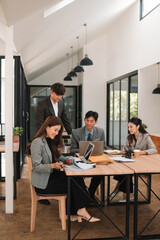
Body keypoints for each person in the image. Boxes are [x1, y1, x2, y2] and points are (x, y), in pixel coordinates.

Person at [26, 116, 100, 222]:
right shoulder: (38, 142)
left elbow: (58, 156)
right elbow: (37, 167)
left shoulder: (49, 140)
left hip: (51, 176)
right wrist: (53, 165)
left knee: (75, 178)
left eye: (58, 131)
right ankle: (81, 210)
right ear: (47, 127)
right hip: (44, 183)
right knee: (74, 181)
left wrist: (67, 160)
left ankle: (74, 212)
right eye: (55, 130)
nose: (56, 133)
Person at [113, 117, 157, 202]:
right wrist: (124, 150)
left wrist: (141, 152)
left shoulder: (145, 136)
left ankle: (122, 192)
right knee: (123, 169)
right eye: (128, 127)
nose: (129, 129)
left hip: (142, 164)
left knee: (126, 171)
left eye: (131, 127)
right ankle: (127, 194)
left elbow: (154, 149)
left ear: (138, 126)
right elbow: (127, 148)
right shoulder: (129, 137)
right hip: (132, 162)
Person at [70, 111, 105, 202]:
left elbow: (103, 148)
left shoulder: (101, 132)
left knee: (100, 174)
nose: (88, 123)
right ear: (84, 120)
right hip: (81, 160)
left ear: (96, 122)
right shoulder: (76, 133)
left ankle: (90, 194)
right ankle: (83, 195)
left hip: (95, 160)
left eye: (91, 121)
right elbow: (73, 149)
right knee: (76, 176)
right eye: (87, 120)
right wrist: (85, 151)